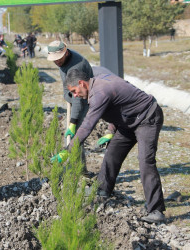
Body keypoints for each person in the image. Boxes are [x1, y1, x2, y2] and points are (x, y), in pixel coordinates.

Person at [59, 68, 166, 224]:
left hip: (147, 118)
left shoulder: (99, 93)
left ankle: (156, 210)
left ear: (82, 83)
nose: (75, 95)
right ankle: (102, 189)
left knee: (145, 161)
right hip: (127, 122)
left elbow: (87, 126)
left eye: (75, 91)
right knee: (112, 154)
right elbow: (120, 102)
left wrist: (68, 150)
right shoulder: (98, 82)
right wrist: (111, 130)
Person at [47, 40, 94, 174]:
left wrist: (73, 122)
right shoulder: (65, 59)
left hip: (83, 99)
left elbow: (78, 99)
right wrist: (68, 96)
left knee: (76, 136)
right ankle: (76, 167)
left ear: (66, 53)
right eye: (54, 60)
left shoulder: (76, 68)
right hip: (74, 96)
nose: (57, 62)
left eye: (58, 59)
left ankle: (80, 171)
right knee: (73, 136)